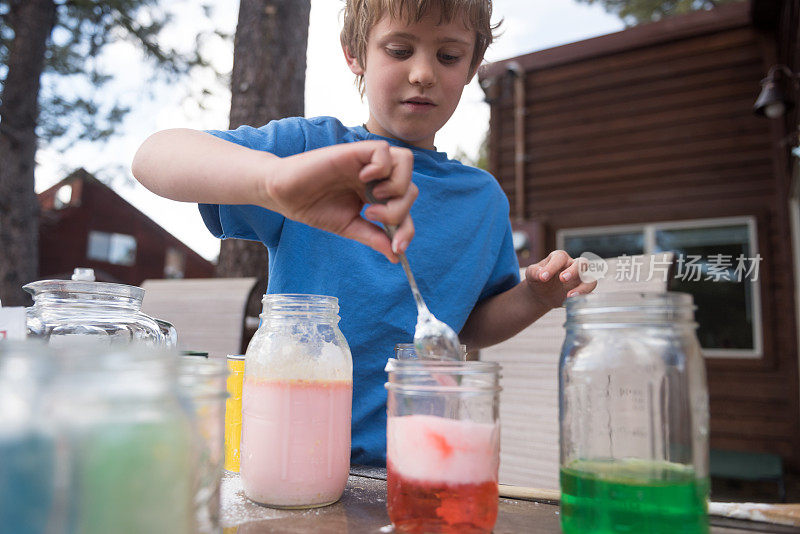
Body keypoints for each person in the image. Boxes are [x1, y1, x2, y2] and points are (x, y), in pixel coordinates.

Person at [132, 0, 596, 466]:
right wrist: (272, 181)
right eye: (398, 49)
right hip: (287, 457)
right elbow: (154, 156)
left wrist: (535, 298)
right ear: (355, 53)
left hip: (418, 464)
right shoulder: (311, 151)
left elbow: (465, 326)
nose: (422, 73)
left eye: (449, 56)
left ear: (473, 65)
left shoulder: (484, 200)